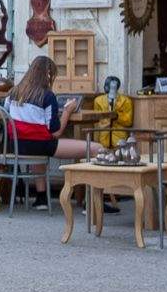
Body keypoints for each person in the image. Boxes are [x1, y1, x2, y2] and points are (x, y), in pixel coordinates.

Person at [6, 53, 104, 209]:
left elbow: (7, 113)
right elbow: (55, 132)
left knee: (36, 150)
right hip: (41, 145)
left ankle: (41, 199)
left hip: (17, 146)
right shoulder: (47, 96)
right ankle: (94, 202)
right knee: (96, 148)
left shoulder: (12, 94)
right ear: (48, 75)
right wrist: (67, 111)